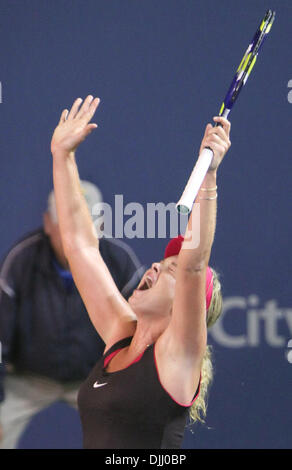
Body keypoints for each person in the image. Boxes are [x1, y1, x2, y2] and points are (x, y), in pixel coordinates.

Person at [50, 95, 231, 449]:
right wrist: (62, 157)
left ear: (186, 303)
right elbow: (81, 248)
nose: (153, 267)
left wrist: (209, 175)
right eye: (161, 263)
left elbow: (195, 265)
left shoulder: (178, 355)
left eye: (169, 270)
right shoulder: (121, 334)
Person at [0, 180, 143, 449]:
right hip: (29, 377)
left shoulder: (120, 262)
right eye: (67, 223)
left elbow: (141, 334)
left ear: (100, 226)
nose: (76, 233)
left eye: (88, 223)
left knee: (131, 435)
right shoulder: (20, 261)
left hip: (97, 377)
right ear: (48, 223)